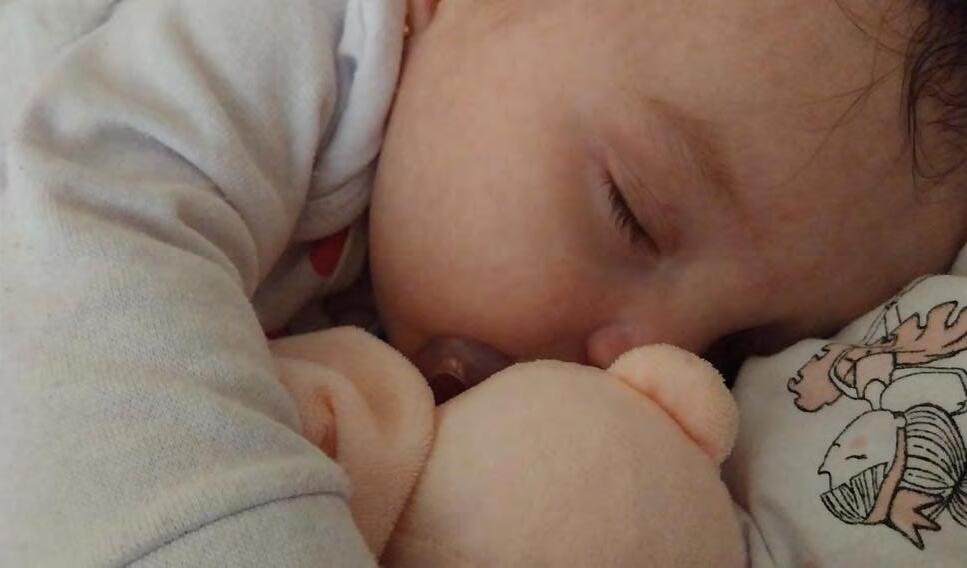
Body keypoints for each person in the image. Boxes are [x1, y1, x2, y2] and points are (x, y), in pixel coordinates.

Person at [1, 0, 965, 565]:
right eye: (630, 212)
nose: (647, 357)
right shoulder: (284, 34)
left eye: (734, 349)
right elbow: (85, 246)